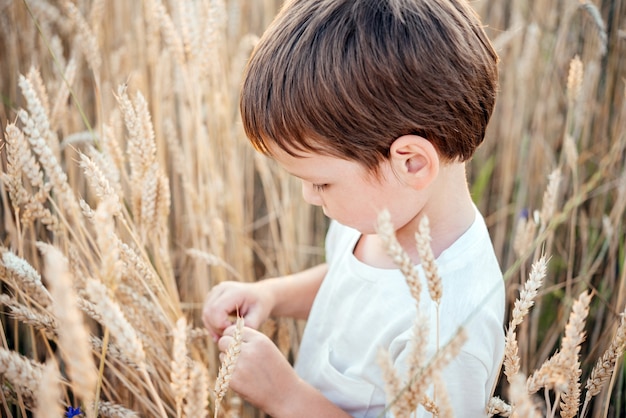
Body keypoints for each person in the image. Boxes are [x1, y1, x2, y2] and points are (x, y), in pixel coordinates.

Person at [203, 0, 505, 416]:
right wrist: (271, 295)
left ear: (411, 163)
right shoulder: (380, 210)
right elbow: (354, 284)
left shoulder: (452, 328)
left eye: (321, 182)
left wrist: (286, 396)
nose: (310, 196)